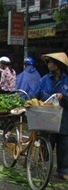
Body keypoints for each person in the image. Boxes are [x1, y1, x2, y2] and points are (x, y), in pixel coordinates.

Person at [33, 52, 68, 180]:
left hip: (64, 117)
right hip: (47, 116)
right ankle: (41, 162)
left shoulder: (66, 80)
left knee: (64, 144)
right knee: (47, 140)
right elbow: (35, 94)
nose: (49, 64)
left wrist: (64, 96)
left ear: (58, 65)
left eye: (51, 62)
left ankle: (63, 170)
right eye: (48, 62)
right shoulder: (44, 79)